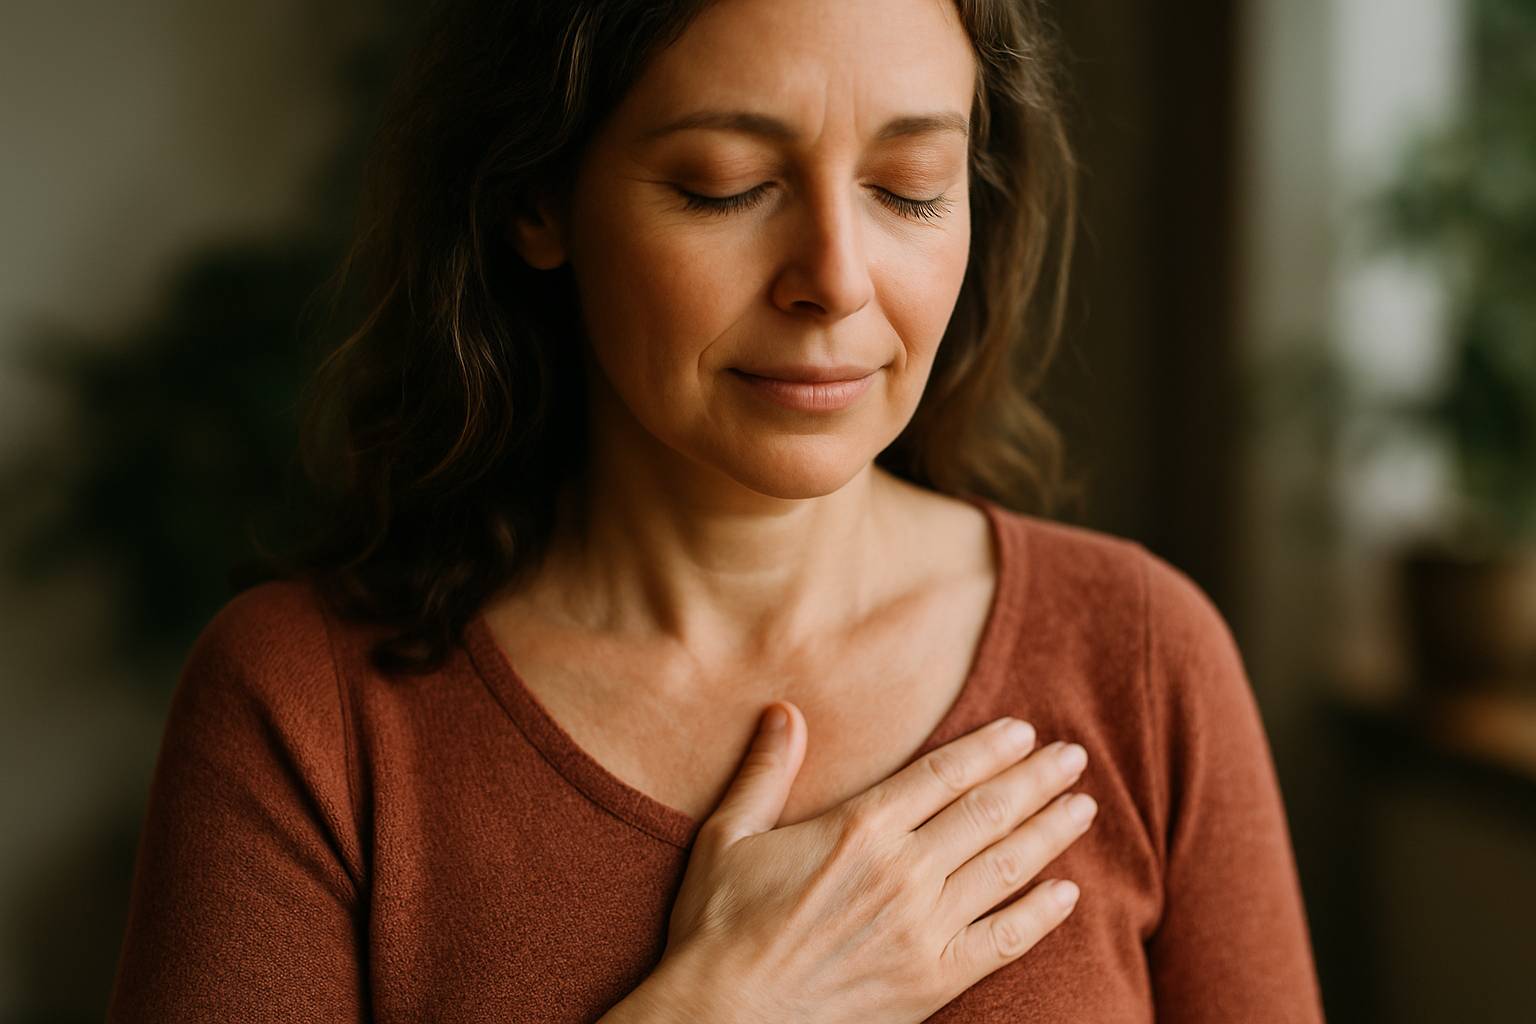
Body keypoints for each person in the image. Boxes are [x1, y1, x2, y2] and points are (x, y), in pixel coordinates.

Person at [107, 0, 1327, 1021]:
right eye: (726, 186)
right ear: (538, 198)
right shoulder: (304, 709)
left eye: (910, 189)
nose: (837, 280)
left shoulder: (1145, 653)